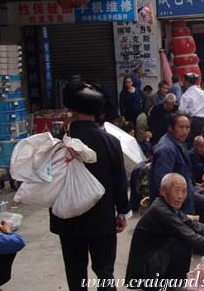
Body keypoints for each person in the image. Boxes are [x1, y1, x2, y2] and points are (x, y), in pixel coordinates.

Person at [51, 81, 131, 290]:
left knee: (75, 274)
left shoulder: (59, 143)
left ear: (71, 111)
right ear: (98, 112)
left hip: (68, 220)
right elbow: (119, 181)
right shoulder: (110, 141)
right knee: (105, 272)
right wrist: (122, 212)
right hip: (102, 219)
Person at [125, 173, 204, 289]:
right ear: (163, 191)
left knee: (183, 240)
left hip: (156, 256)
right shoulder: (161, 211)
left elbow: (192, 225)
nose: (180, 196)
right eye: (176, 190)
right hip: (146, 268)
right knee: (185, 241)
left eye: (184, 191)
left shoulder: (168, 206)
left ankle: (173, 283)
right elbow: (192, 237)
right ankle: (164, 285)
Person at [149, 112, 204, 227]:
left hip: (186, 186)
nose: (185, 131)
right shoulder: (166, 149)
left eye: (187, 127)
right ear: (171, 128)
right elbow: (161, 182)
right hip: (174, 195)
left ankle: (201, 234)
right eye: (181, 127)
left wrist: (197, 185)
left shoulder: (178, 142)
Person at [179, 73, 204, 148]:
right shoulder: (202, 93)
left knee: (191, 144)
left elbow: (181, 111)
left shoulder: (186, 95)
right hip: (203, 121)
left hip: (192, 122)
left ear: (186, 81)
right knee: (203, 143)